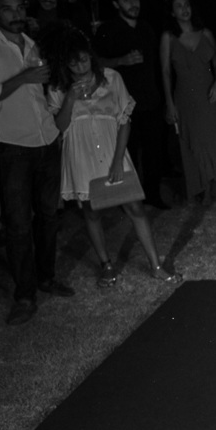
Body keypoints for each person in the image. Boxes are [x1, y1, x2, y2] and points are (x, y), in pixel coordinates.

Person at [39, 25, 181, 285]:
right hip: (81, 155)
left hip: (111, 149)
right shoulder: (59, 88)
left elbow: (124, 121)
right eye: (73, 63)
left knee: (135, 206)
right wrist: (70, 97)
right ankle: (106, 264)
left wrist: (117, 161)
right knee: (91, 212)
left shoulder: (111, 78)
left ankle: (156, 264)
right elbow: (58, 126)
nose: (80, 67)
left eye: (83, 59)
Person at [0, 0, 72, 325]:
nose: (16, 15)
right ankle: (24, 295)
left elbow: (48, 91)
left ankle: (46, 276)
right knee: (17, 224)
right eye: (7, 9)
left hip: (46, 139)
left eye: (20, 8)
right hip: (14, 146)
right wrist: (23, 77)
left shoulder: (32, 44)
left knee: (49, 216)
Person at [94, 0, 170, 209]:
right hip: (121, 104)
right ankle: (127, 197)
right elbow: (94, 62)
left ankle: (152, 194)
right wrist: (121, 61)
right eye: (126, 0)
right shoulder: (108, 29)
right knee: (126, 150)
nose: (133, 4)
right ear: (116, 4)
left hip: (149, 100)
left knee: (153, 150)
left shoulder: (146, 28)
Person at [159, 0, 216, 203]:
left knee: (214, 140)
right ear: (172, 13)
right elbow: (165, 72)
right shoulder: (168, 37)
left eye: (187, 4)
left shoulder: (206, 33)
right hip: (185, 96)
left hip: (208, 93)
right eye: (179, 6)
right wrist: (169, 103)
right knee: (194, 143)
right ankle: (202, 188)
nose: (184, 9)